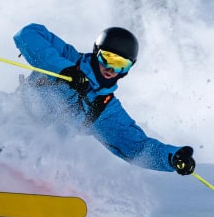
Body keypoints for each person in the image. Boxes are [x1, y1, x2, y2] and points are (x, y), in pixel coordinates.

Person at [12, 23, 196, 175]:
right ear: (96, 52)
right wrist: (63, 69)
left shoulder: (105, 109)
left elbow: (137, 147)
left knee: (48, 158)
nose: (111, 69)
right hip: (10, 117)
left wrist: (172, 157)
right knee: (10, 135)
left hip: (40, 149)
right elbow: (28, 34)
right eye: (107, 58)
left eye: (121, 64)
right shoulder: (69, 59)